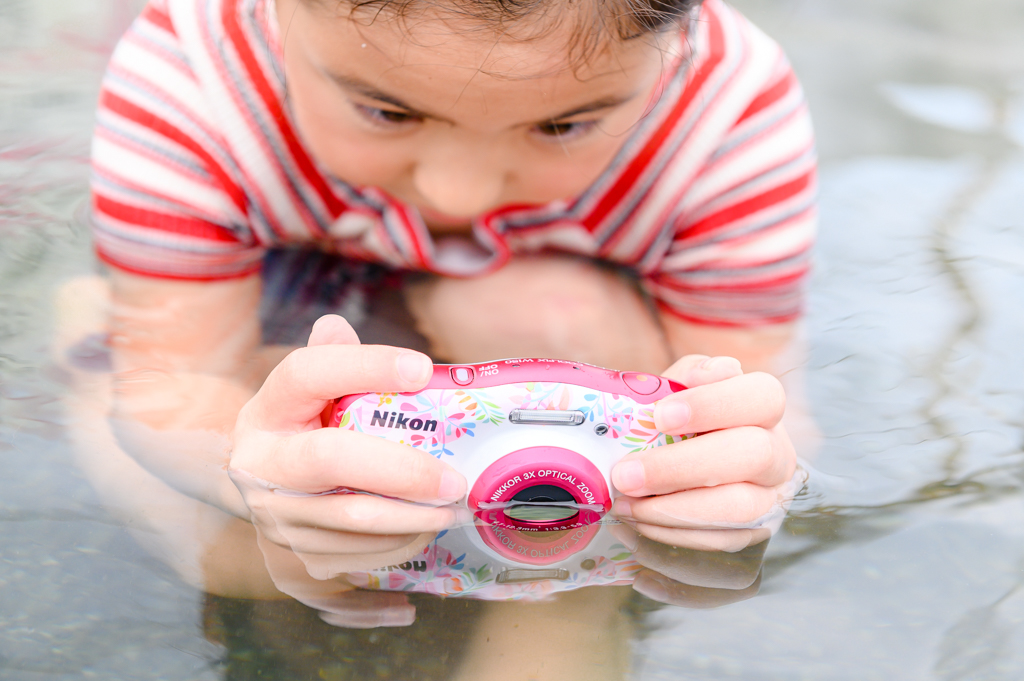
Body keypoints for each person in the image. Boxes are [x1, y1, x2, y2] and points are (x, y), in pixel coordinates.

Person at [58, 0, 813, 670]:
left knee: (564, 319)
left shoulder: (728, 111)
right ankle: (96, 323)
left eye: (563, 124)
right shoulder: (193, 72)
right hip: (278, 295)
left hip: (543, 303)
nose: (462, 194)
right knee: (244, 555)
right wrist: (253, 468)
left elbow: (766, 403)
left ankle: (569, 602)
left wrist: (736, 477)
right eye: (386, 110)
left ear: (674, 47)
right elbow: (170, 383)